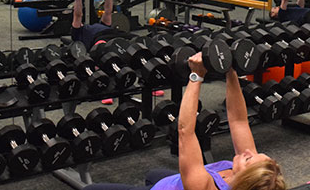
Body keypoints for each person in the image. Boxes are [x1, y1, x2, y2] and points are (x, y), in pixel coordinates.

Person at [85, 53, 286, 190]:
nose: (249, 151)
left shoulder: (203, 186)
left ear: (244, 180)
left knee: (92, 189)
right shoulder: (250, 174)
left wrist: (195, 77)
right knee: (153, 173)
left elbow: (185, 131)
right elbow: (239, 121)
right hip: (179, 181)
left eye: (250, 159)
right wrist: (231, 72)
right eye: (258, 153)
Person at [72, 0, 162, 101]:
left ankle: (151, 81)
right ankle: (106, 89)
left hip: (118, 36)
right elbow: (78, 14)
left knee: (141, 46)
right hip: (101, 41)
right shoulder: (79, 32)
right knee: (104, 52)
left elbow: (108, 9)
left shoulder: (103, 23)